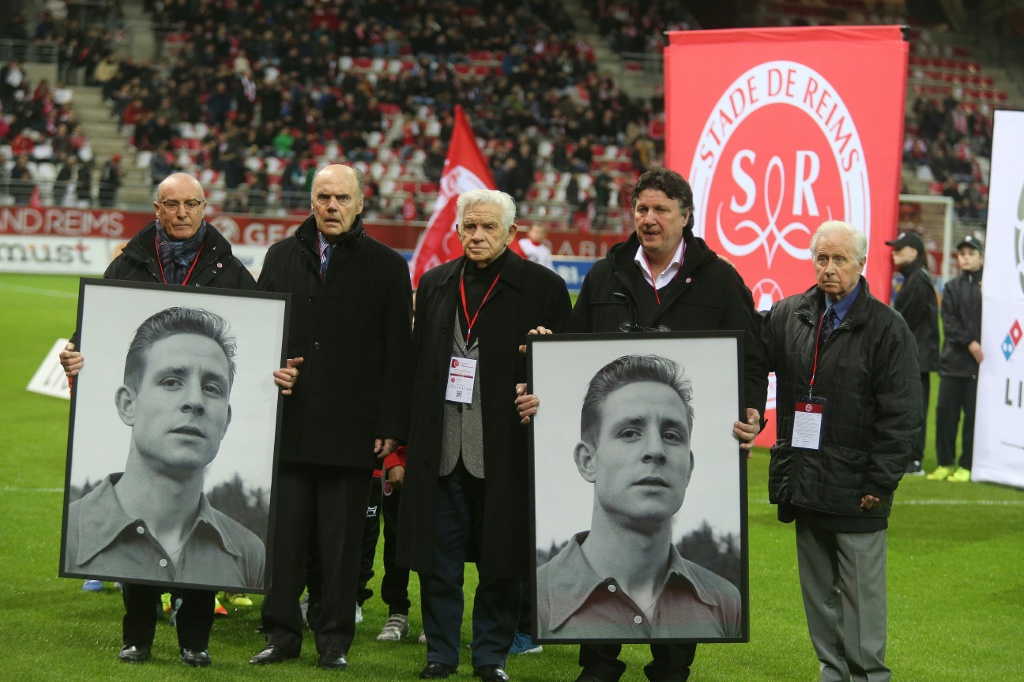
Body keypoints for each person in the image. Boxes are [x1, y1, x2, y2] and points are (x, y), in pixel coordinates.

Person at [518, 167, 766, 682]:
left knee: (674, 646)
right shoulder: (607, 275)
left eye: (660, 210)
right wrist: (539, 365)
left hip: (707, 433)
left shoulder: (720, 280)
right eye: (641, 210)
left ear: (686, 216)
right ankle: (598, 661)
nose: (648, 220)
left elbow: (752, 357)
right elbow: (572, 344)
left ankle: (674, 662)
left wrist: (752, 411)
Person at [58, 172, 299, 668]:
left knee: (198, 538)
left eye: (192, 204)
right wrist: (75, 354)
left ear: (205, 207)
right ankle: (137, 637)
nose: (182, 213)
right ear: (156, 208)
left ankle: (196, 639)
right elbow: (92, 330)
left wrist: (277, 371)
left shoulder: (230, 269)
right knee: (142, 532)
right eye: (172, 205)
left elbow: (261, 335)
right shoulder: (127, 264)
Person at [398, 188, 572, 682]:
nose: (476, 235)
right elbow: (415, 369)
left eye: (488, 227)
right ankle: (442, 655)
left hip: (506, 451)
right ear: (457, 231)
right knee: (437, 562)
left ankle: (492, 657)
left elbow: (569, 375)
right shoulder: (433, 284)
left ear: (511, 233)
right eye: (468, 227)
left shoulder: (544, 289)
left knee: (503, 560)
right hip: (440, 448)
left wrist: (547, 357)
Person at [249, 163, 413, 671]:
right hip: (290, 424)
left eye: (342, 198)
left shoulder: (387, 266)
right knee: (285, 542)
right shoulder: (280, 257)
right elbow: (257, 334)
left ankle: (334, 641)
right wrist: (270, 372)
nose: (332, 206)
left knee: (342, 548)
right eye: (323, 197)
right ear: (311, 201)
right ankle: (280, 634)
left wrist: (391, 425)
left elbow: (398, 354)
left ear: (361, 203)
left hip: (353, 429)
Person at [762, 220, 921, 682]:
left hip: (858, 491)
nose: (829, 269)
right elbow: (750, 352)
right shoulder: (790, 314)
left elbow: (903, 416)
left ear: (861, 263)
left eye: (839, 260)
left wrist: (880, 481)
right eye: (821, 259)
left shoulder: (888, 329)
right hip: (805, 481)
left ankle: (870, 678)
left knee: (862, 604)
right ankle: (832, 674)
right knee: (818, 597)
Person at [536, 354, 742, 640]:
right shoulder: (533, 599)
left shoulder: (726, 603)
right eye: (630, 433)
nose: (656, 450)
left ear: (689, 469)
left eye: (672, 435)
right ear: (587, 461)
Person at [64, 306, 266, 586]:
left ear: (225, 422)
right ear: (128, 405)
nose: (195, 401)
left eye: (211, 388)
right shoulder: (69, 533)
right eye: (171, 382)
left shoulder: (250, 554)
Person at [928, 234, 984, 483]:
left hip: (980, 367)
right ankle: (945, 463)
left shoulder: (992, 289)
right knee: (945, 416)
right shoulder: (950, 287)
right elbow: (948, 324)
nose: (966, 258)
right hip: (952, 364)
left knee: (973, 419)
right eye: (962, 254)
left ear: (981, 257)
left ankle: (967, 464)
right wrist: (970, 342)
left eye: (971, 253)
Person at [885, 231, 939, 475]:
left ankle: (914, 460)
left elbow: (905, 322)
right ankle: (910, 457)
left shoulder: (917, 280)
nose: (894, 252)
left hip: (918, 358)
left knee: (913, 408)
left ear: (914, 252)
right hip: (917, 357)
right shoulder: (914, 278)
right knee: (909, 407)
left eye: (900, 248)